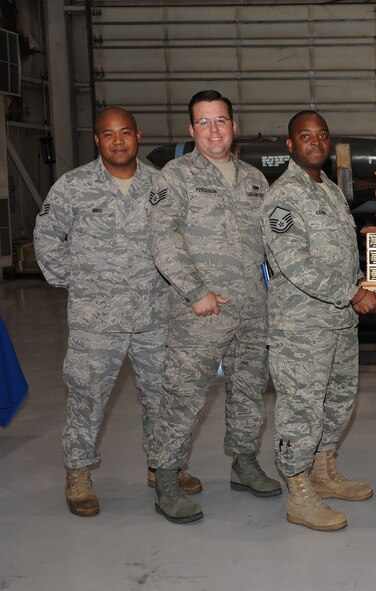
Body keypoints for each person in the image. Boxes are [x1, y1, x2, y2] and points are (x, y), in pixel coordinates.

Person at [34, 107, 201, 517]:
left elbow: (180, 237)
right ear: (97, 140)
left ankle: (161, 467)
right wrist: (74, 280)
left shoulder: (160, 186)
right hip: (97, 321)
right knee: (87, 396)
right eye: (108, 134)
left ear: (138, 135)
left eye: (125, 132)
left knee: (161, 396)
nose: (118, 141)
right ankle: (78, 473)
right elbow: (47, 235)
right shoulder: (73, 186)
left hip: (153, 314)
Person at [147, 90, 280, 524]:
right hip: (201, 311)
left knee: (249, 390)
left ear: (234, 125)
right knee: (183, 394)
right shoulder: (175, 176)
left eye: (220, 120)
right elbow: (163, 241)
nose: (213, 130)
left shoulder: (255, 180)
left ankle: (244, 464)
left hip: (252, 308)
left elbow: (270, 245)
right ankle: (167, 479)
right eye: (203, 122)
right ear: (191, 130)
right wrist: (194, 291)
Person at [261, 110, 376, 531]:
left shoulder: (328, 189)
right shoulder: (284, 196)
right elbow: (295, 264)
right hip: (301, 329)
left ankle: (323, 472)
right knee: (301, 409)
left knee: (336, 402)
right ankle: (298, 492)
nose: (315, 142)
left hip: (338, 323)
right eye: (305, 136)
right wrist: (354, 293)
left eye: (322, 135)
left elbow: (341, 258)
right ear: (290, 145)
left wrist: (372, 284)